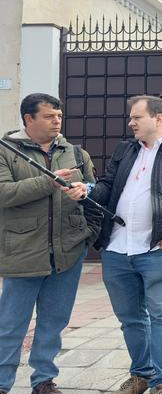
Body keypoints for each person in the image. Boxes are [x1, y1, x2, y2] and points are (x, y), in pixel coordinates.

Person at [87, 93, 162, 394]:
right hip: (117, 248)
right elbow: (107, 185)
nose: (130, 123)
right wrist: (86, 189)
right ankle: (141, 374)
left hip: (157, 250)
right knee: (130, 317)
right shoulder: (125, 149)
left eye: (136, 117)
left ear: (158, 118)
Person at [0, 93, 102, 394]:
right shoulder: (6, 150)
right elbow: (3, 194)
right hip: (22, 252)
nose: (57, 120)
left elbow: (93, 196)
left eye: (59, 115)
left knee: (54, 322)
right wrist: (49, 182)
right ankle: (3, 384)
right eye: (49, 116)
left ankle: (43, 380)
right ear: (28, 119)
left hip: (67, 252)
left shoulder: (75, 153)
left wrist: (87, 236)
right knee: (11, 325)